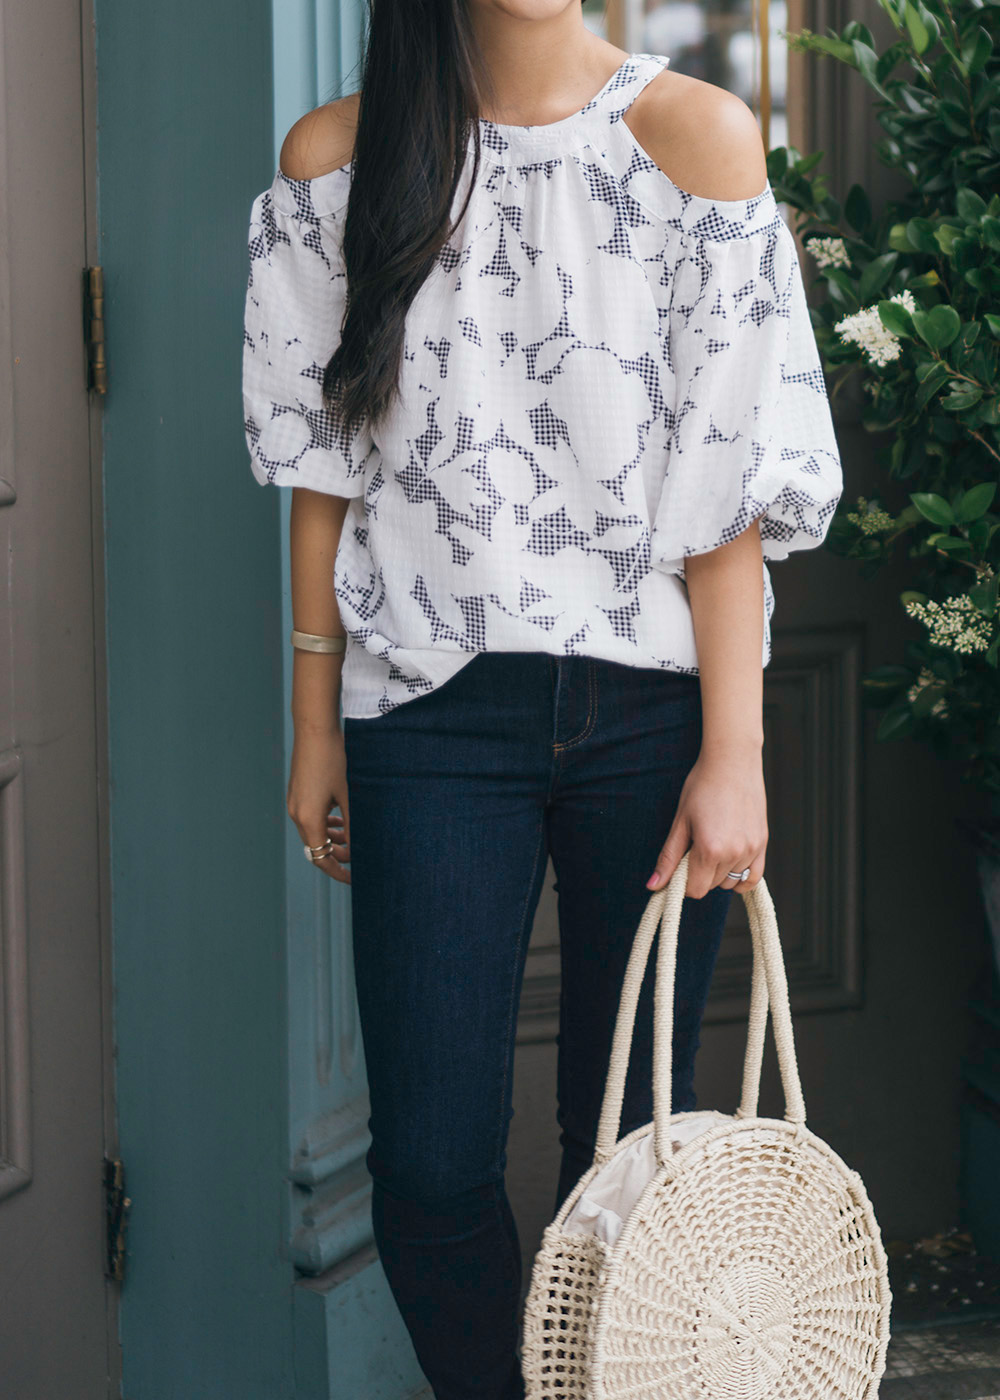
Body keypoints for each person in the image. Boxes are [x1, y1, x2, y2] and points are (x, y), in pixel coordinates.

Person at [242, 3, 842, 1396]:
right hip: (427, 722)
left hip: (653, 714)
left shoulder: (698, 141)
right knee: (434, 1168)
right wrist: (315, 725)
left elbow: (732, 488)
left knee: (631, 1150)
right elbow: (321, 477)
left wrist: (737, 753)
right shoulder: (338, 161)